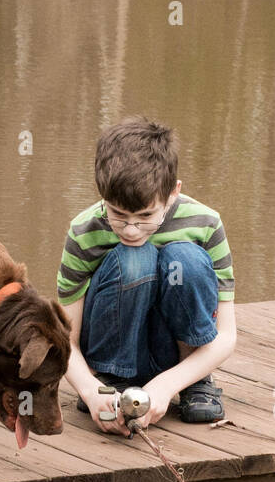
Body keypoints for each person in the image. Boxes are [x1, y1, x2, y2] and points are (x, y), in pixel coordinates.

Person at [56, 115, 236, 433]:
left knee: (185, 260)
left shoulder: (206, 225)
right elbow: (63, 339)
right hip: (109, 356)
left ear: (173, 193)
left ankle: (194, 382)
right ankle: (114, 376)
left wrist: (167, 386)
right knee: (135, 257)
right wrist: (90, 390)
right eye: (118, 214)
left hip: (173, 355)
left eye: (145, 216)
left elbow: (226, 335)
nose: (130, 229)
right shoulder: (84, 231)